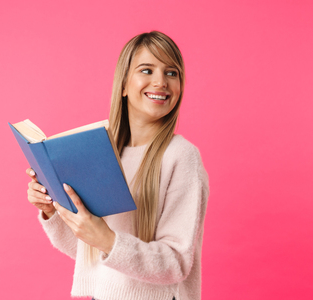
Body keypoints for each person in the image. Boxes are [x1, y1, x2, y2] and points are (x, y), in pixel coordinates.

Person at [26, 31, 209, 300]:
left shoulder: (181, 157)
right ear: (123, 85)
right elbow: (89, 252)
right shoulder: (104, 152)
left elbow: (176, 262)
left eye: (172, 73)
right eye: (147, 70)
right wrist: (52, 212)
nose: (161, 82)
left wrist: (107, 240)